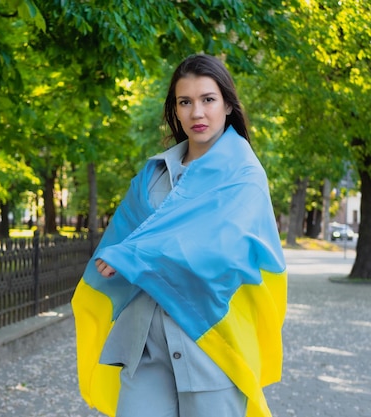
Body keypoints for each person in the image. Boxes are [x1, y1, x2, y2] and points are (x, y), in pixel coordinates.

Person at [72, 54, 287, 417]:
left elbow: (223, 249)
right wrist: (128, 255)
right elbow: (121, 239)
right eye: (185, 102)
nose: (196, 113)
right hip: (144, 345)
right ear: (175, 108)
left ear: (228, 105)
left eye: (208, 100)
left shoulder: (244, 175)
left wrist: (136, 256)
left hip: (208, 342)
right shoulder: (153, 174)